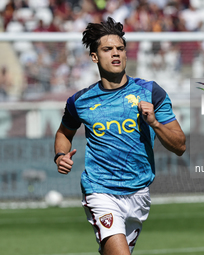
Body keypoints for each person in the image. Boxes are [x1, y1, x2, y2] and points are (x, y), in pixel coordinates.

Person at [54, 17, 186, 255]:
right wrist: (60, 155)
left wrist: (154, 122)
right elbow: (64, 132)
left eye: (120, 48)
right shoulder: (80, 102)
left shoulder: (151, 92)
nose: (115, 53)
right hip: (100, 190)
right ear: (95, 57)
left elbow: (180, 145)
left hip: (139, 192)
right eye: (107, 49)